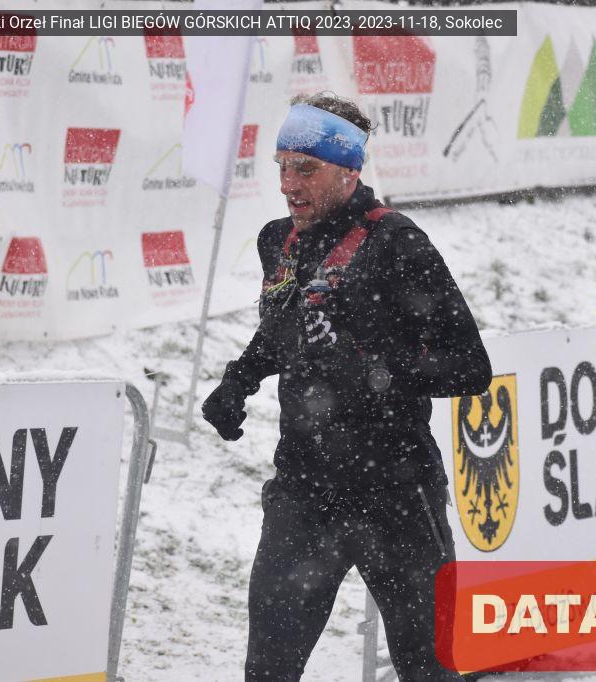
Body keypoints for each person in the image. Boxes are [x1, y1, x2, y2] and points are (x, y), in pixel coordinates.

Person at [202, 93, 491, 681]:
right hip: (305, 489)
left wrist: (379, 371)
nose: (288, 183)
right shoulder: (278, 240)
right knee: (268, 672)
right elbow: (286, 327)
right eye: (282, 165)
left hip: (396, 490)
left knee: (428, 670)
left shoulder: (398, 243)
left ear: (349, 171)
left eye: (305, 168)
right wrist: (240, 379)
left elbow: (470, 366)